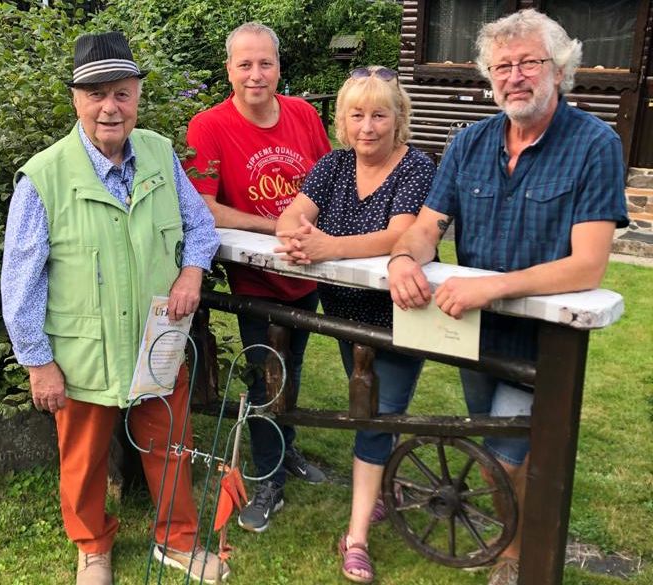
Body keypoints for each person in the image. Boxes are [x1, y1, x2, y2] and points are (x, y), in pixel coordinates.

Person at [386, 10, 629, 585]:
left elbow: (588, 262)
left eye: (528, 63)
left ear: (560, 69)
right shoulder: (468, 142)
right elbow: (427, 227)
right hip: (477, 332)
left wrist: (492, 284)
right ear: (487, 77)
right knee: (498, 448)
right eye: (502, 67)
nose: (515, 76)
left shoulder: (595, 144)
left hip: (543, 338)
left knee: (507, 452)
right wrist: (402, 257)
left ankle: (517, 553)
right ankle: (517, 541)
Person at [1, 32, 227, 585]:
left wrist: (193, 270)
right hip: (83, 349)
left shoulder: (158, 152)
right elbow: (20, 281)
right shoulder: (44, 176)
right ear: (76, 99)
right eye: (97, 93)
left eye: (122, 93)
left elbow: (200, 224)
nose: (111, 107)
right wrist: (38, 361)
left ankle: (177, 541)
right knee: (83, 459)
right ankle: (92, 548)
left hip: (158, 336)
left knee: (171, 443)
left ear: (137, 97)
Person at [275, 66, 435, 584]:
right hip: (346, 313)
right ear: (342, 121)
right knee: (370, 406)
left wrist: (326, 246)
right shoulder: (332, 165)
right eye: (356, 115)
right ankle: (378, 492)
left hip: (403, 314)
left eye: (379, 115)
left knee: (377, 415)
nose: (367, 126)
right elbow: (292, 214)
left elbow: (400, 235)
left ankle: (357, 536)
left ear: (398, 118)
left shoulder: (416, 168)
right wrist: (297, 235)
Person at [185, 22, 331, 533]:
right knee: (266, 373)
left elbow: (328, 177)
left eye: (264, 63)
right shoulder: (208, 126)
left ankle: (285, 451)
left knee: (293, 365)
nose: (255, 74)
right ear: (229, 70)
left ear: (278, 67)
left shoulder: (304, 114)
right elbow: (205, 206)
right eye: (244, 64)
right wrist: (279, 224)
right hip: (256, 277)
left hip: (308, 270)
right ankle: (268, 476)